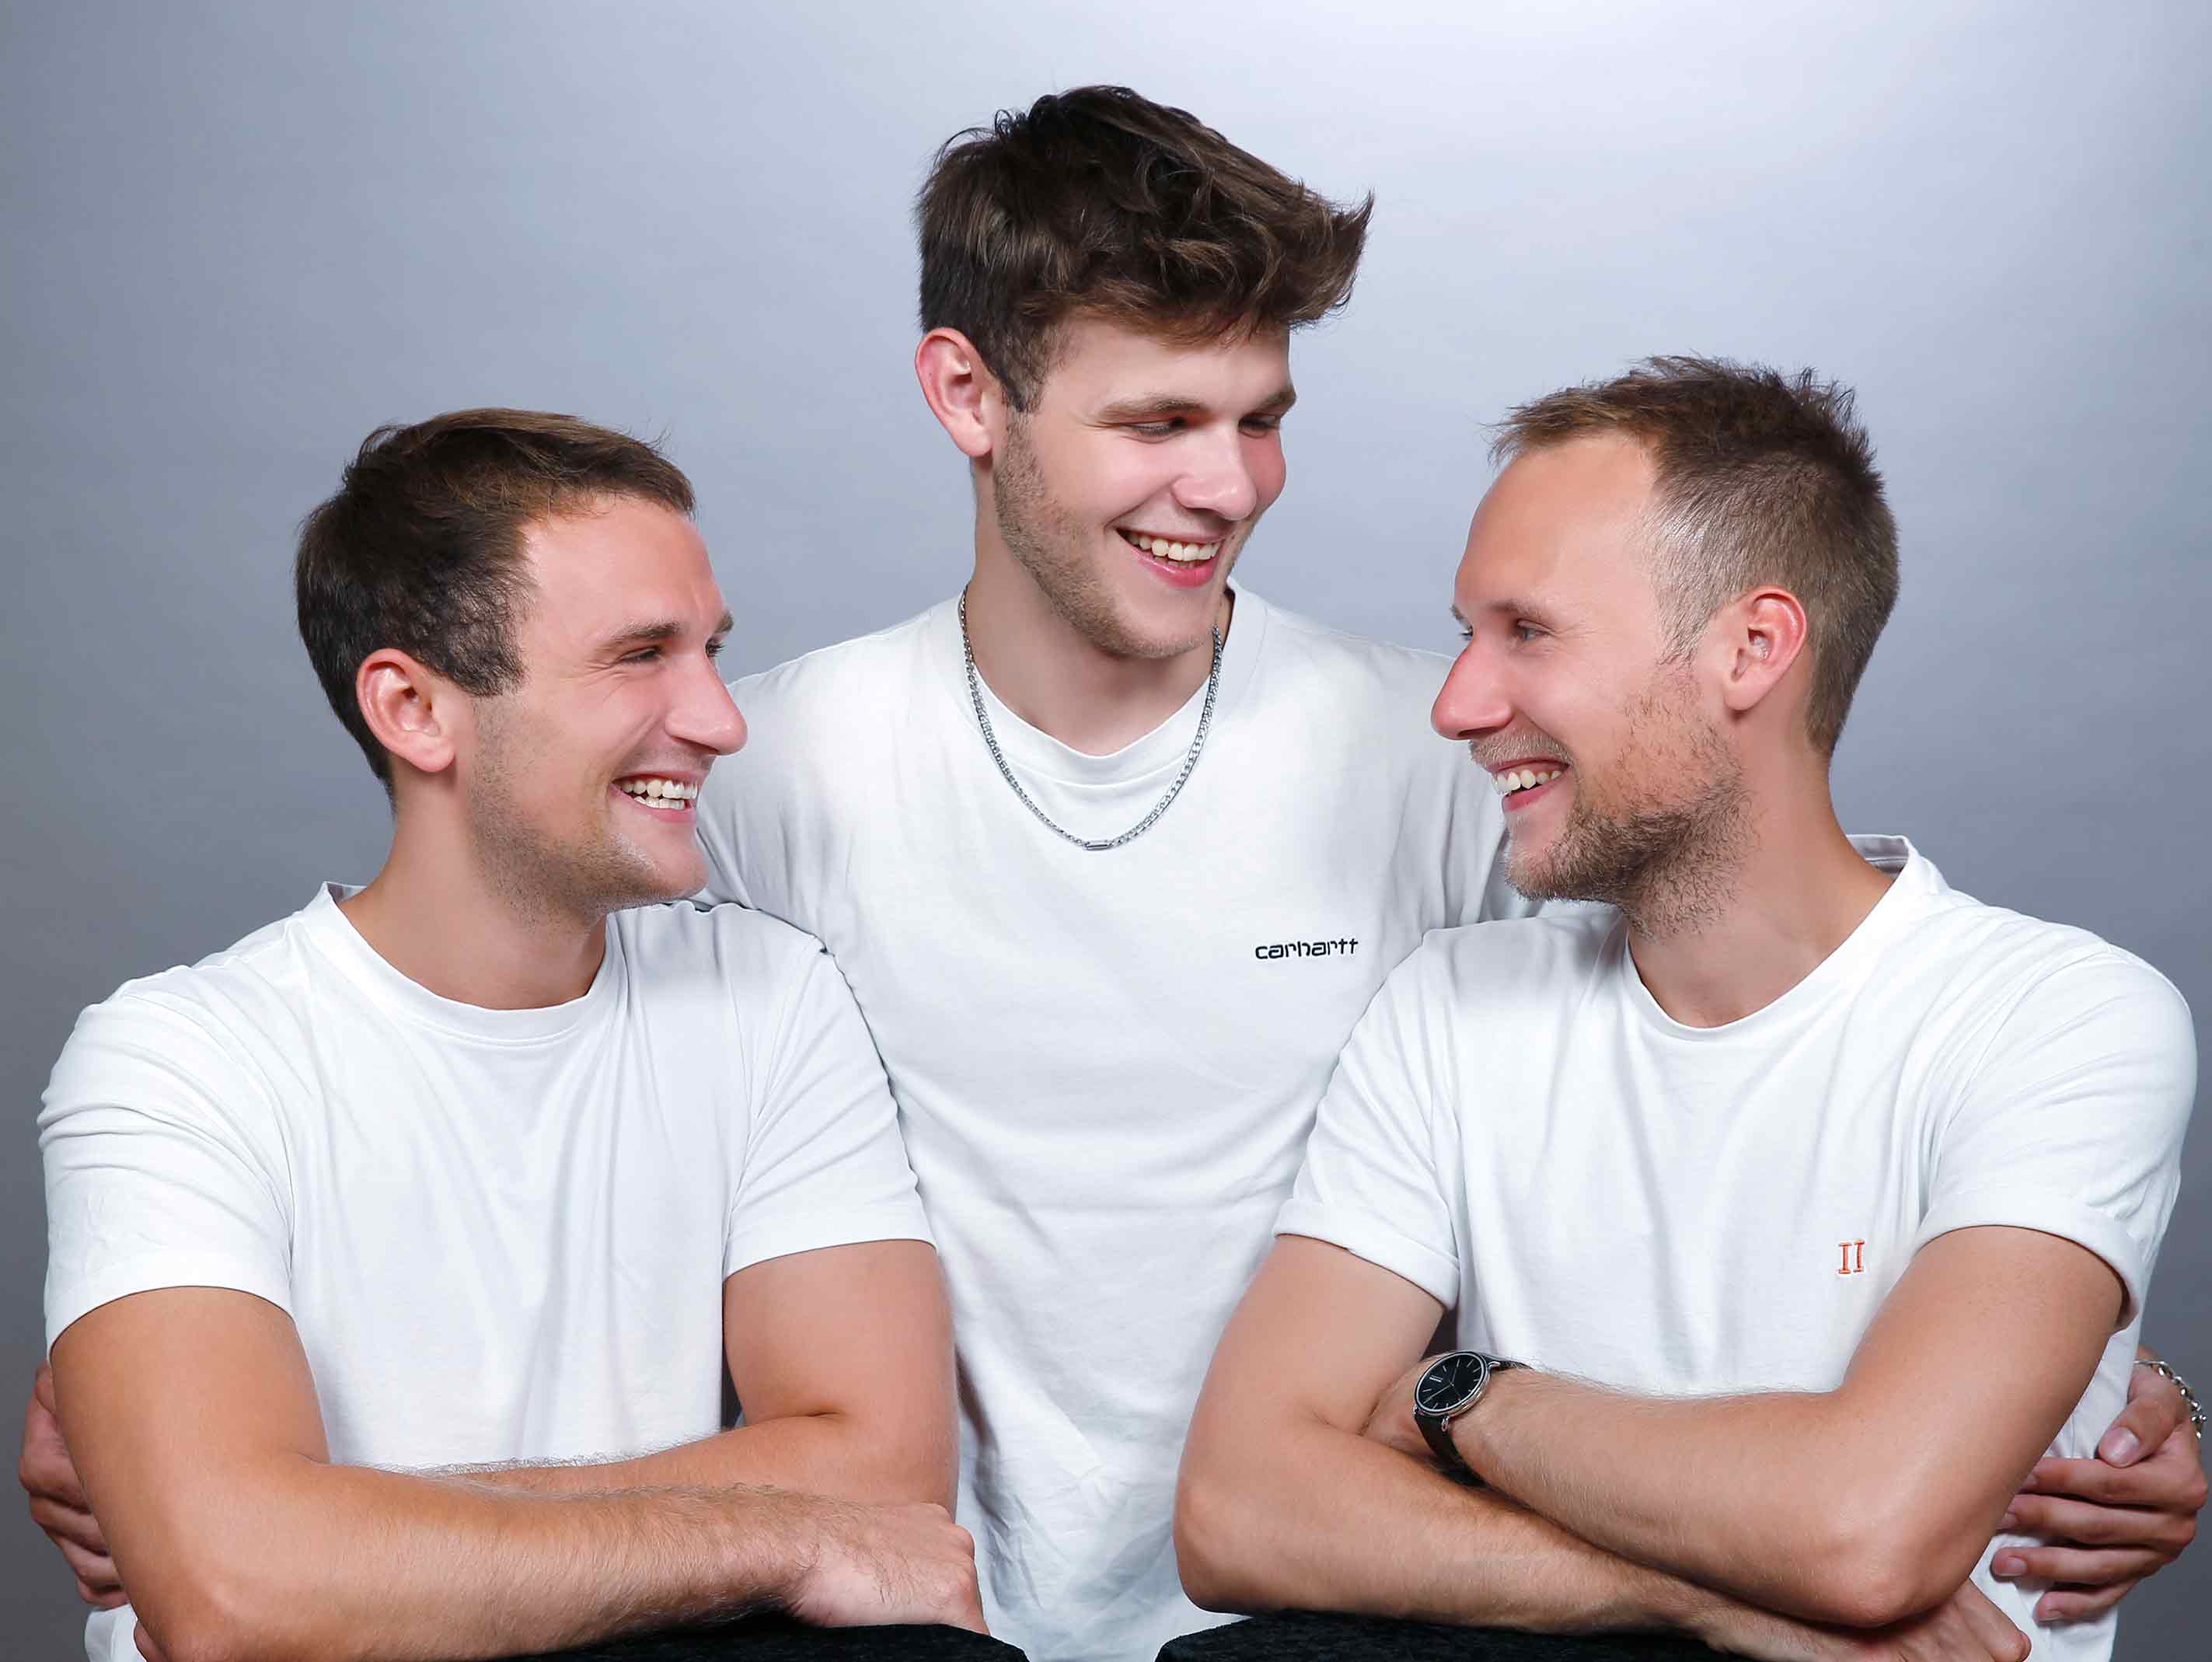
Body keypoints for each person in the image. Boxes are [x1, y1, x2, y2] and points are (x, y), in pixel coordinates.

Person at [25, 91, 2205, 1662]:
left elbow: (1752, 1032)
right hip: (898, 1618)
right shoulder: (745, 778)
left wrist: (2081, 1398)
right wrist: (198, 1443)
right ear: (964, 396)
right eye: (1158, 421)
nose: (1226, 484)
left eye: (1261, 416)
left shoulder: (1454, 759)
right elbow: (476, 1064)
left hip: (1368, 1617)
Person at [1174, 358, 2200, 1662]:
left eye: (1527, 632)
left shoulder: (2060, 1019)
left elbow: (1862, 1531)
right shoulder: (1451, 1004)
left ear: (1750, 649)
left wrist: (1458, 1398)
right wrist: (1709, 1596)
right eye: (1466, 632)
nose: (1457, 704)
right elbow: (1238, 1507)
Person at [35, 411, 989, 1662]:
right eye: (640, 655)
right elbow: (233, 1594)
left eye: (709, 650)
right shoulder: (176, 1061)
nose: (719, 719)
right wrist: (783, 1529)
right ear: (414, 708)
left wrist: (328, 1528)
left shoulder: (771, 999)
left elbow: (888, 1480)